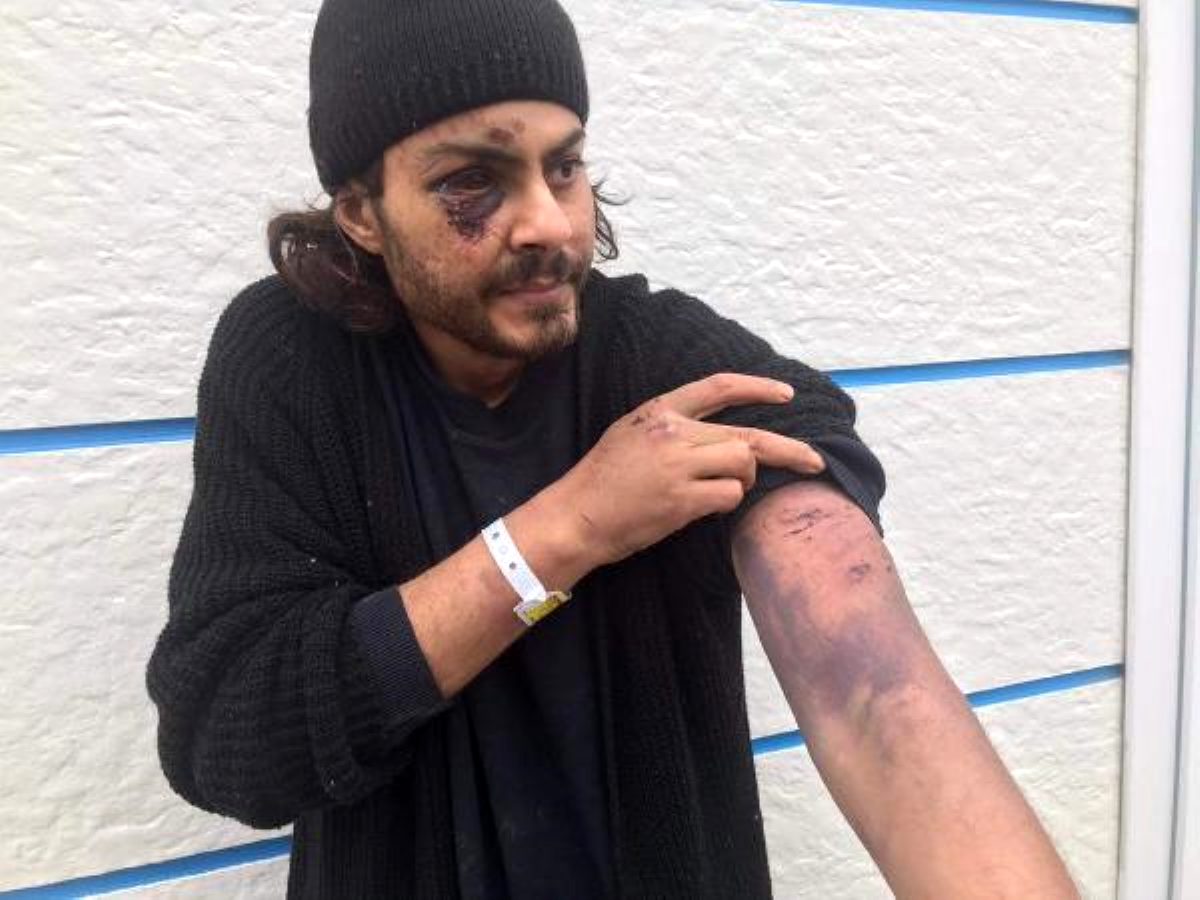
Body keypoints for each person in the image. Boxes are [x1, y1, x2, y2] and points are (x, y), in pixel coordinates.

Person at [146, 0, 1079, 897]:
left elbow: (874, 692)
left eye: (563, 167)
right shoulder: (295, 363)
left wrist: (807, 542)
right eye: (471, 181)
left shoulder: (651, 359)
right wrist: (568, 529)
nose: (550, 224)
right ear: (360, 211)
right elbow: (227, 735)